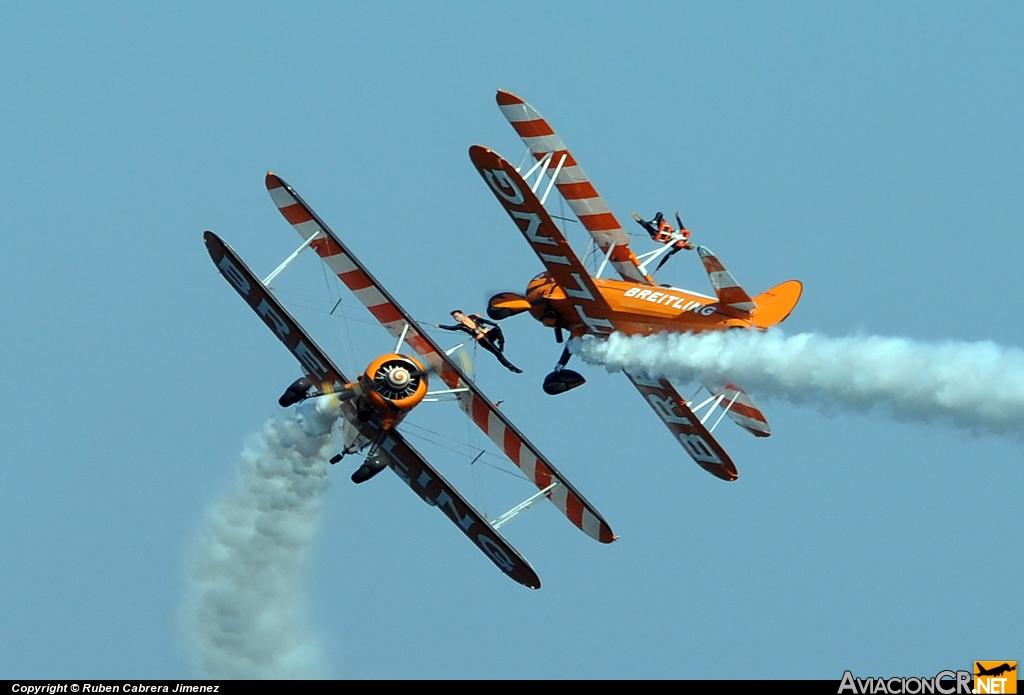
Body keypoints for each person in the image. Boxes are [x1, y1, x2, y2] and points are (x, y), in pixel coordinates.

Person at [438, 310, 523, 373]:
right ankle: (511, 367)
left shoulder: (473, 317)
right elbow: (451, 328)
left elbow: (484, 321)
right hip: (483, 340)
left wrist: (494, 324)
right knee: (497, 353)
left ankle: (501, 343)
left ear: (462, 314)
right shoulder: (461, 326)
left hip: (488, 334)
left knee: (497, 329)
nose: (457, 318)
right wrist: (440, 326)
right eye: (455, 318)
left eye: (457, 316)